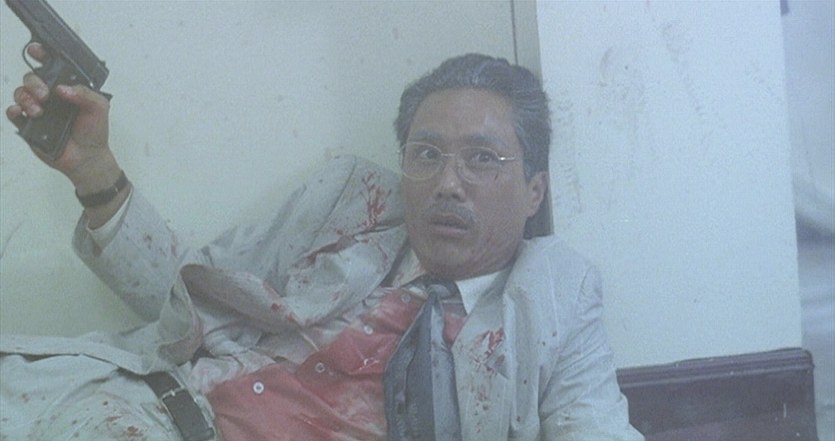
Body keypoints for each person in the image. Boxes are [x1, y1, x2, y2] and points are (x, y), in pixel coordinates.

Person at [2, 46, 644, 440]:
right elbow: (185, 298)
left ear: (534, 190)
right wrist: (95, 172)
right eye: (426, 153)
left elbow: (593, 426)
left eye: (482, 158)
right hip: (146, 413)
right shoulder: (351, 203)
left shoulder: (557, 295)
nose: (448, 183)